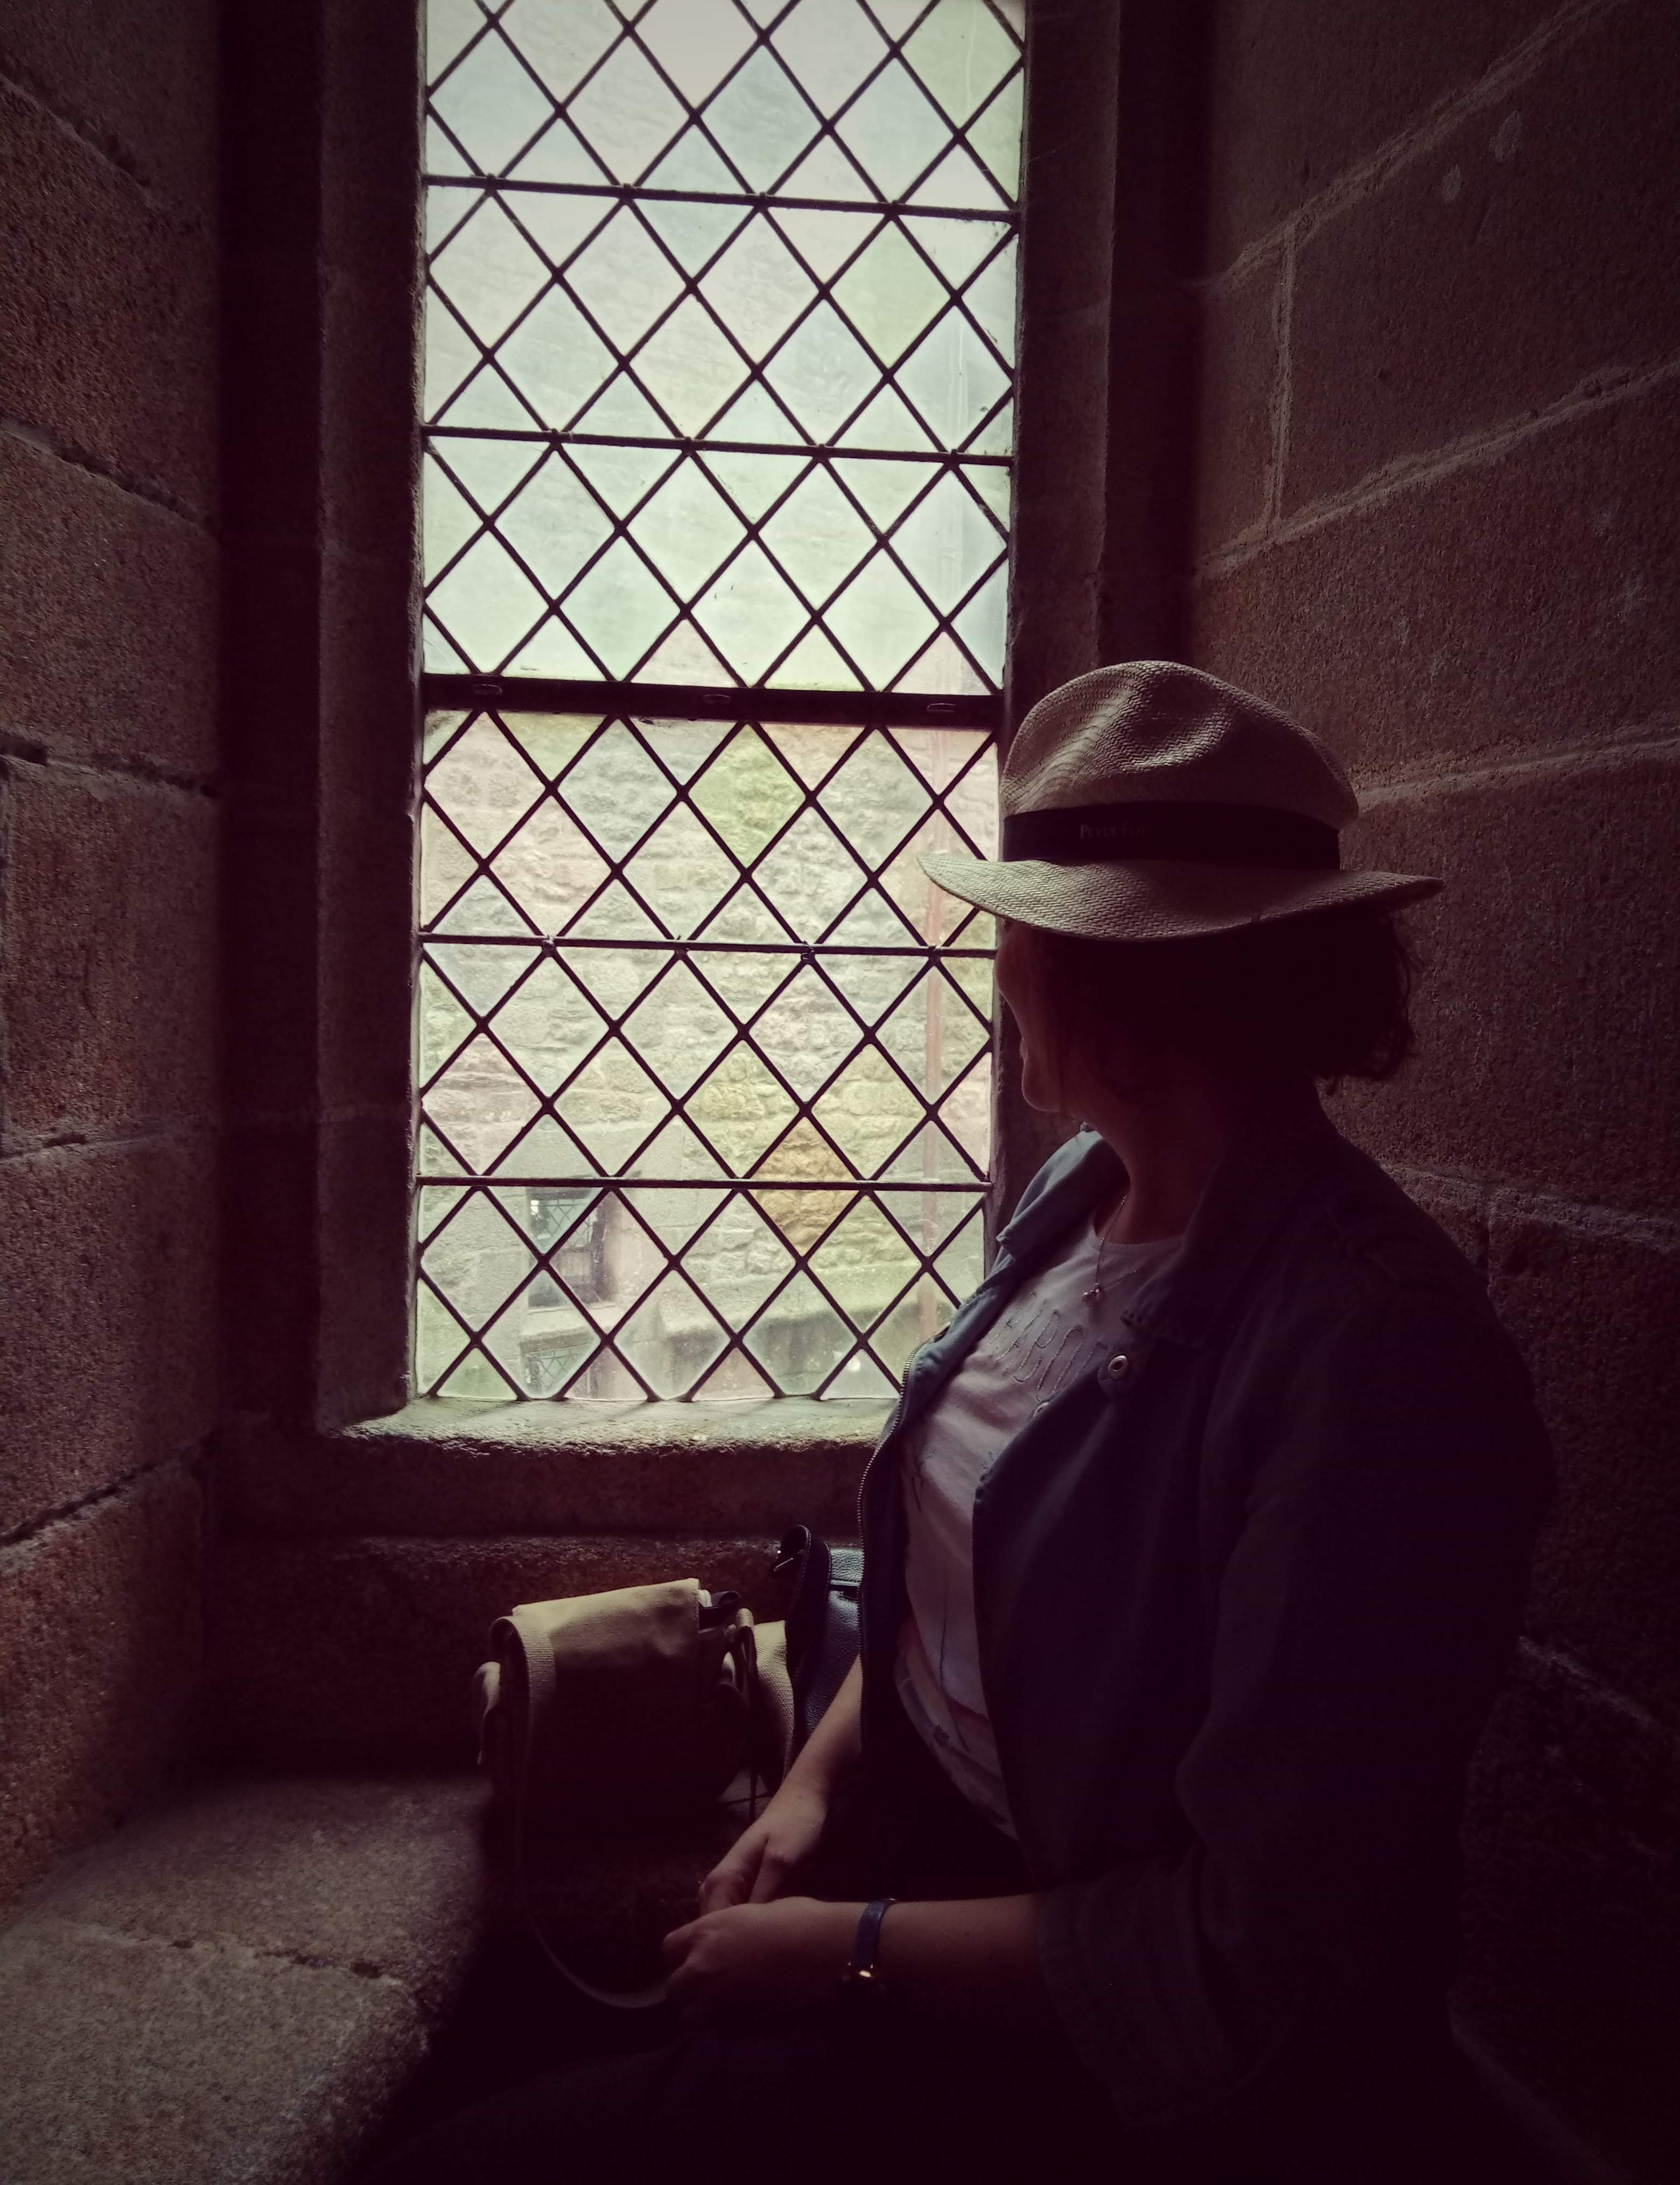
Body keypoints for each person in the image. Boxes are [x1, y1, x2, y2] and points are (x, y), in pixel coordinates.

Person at [368, 664, 1553, 2185]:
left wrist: (846, 1954)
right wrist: (818, 1788)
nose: (996, 978)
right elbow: (961, 1595)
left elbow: (1251, 1959)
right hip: (921, 1880)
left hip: (1101, 2071)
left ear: (1124, 995)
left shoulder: (1375, 1362)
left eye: (1019, 941)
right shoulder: (1085, 1194)